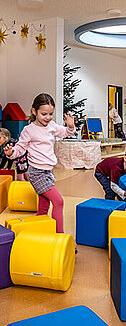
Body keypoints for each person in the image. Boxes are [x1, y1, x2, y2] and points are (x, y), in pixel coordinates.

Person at [4, 93, 75, 234]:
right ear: (34, 111)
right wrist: (11, 153)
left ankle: (38, 234)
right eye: (44, 114)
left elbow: (66, 133)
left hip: (48, 172)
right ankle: (59, 237)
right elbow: (19, 149)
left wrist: (71, 126)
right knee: (58, 201)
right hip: (36, 173)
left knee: (43, 206)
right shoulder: (28, 130)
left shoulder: (52, 126)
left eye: (50, 114)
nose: (47, 117)